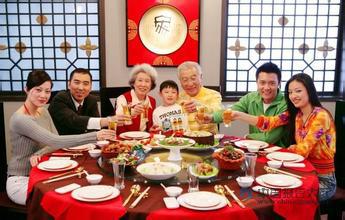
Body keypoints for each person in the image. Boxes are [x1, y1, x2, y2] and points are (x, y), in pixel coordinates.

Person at [7, 70, 115, 205]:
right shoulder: (21, 119)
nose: (43, 95)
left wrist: (39, 153)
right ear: (26, 89)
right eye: (38, 90)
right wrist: (95, 135)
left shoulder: (43, 111)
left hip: (41, 174)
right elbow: (55, 141)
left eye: (47, 91)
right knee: (65, 200)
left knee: (80, 188)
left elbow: (54, 141)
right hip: (21, 180)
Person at [232, 73, 336, 201]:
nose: (293, 96)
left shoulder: (321, 116)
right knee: (264, 190)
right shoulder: (296, 114)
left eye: (298, 91)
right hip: (302, 173)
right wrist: (238, 115)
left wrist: (291, 148)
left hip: (322, 180)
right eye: (290, 92)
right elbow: (268, 122)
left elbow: (303, 150)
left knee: (284, 197)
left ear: (309, 90)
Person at [213, 62, 288, 146]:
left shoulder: (286, 104)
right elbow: (230, 112)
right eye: (262, 83)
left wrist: (248, 136)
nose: (266, 87)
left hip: (279, 153)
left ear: (279, 83)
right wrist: (211, 117)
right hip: (253, 150)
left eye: (272, 83)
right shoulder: (251, 98)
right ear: (257, 82)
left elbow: (269, 138)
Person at [48, 68, 127, 135]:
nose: (81, 88)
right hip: (60, 147)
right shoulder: (60, 98)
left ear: (90, 87)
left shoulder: (91, 100)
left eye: (85, 84)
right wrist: (108, 120)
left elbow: (95, 130)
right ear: (69, 84)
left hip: (84, 146)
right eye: (77, 82)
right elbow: (74, 120)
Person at [177, 61, 222, 133]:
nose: (190, 84)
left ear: (201, 77)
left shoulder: (214, 94)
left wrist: (199, 106)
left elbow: (218, 112)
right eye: (185, 80)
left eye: (193, 78)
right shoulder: (177, 97)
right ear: (180, 81)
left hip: (207, 141)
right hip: (184, 141)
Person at [116, 63, 157, 133]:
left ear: (151, 85)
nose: (143, 84)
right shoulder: (123, 98)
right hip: (125, 140)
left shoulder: (152, 101)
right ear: (133, 83)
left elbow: (147, 127)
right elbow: (118, 116)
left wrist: (151, 129)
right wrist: (132, 111)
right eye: (140, 80)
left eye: (147, 81)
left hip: (144, 140)